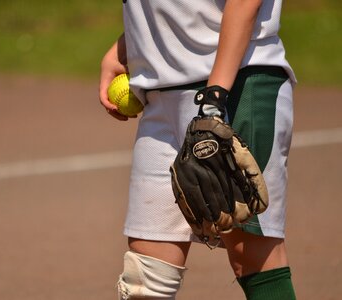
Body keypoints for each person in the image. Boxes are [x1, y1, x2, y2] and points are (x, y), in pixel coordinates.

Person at [99, 0, 297, 299]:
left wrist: (215, 96)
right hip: (160, 93)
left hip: (236, 86)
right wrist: (131, 42)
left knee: (251, 256)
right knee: (146, 280)